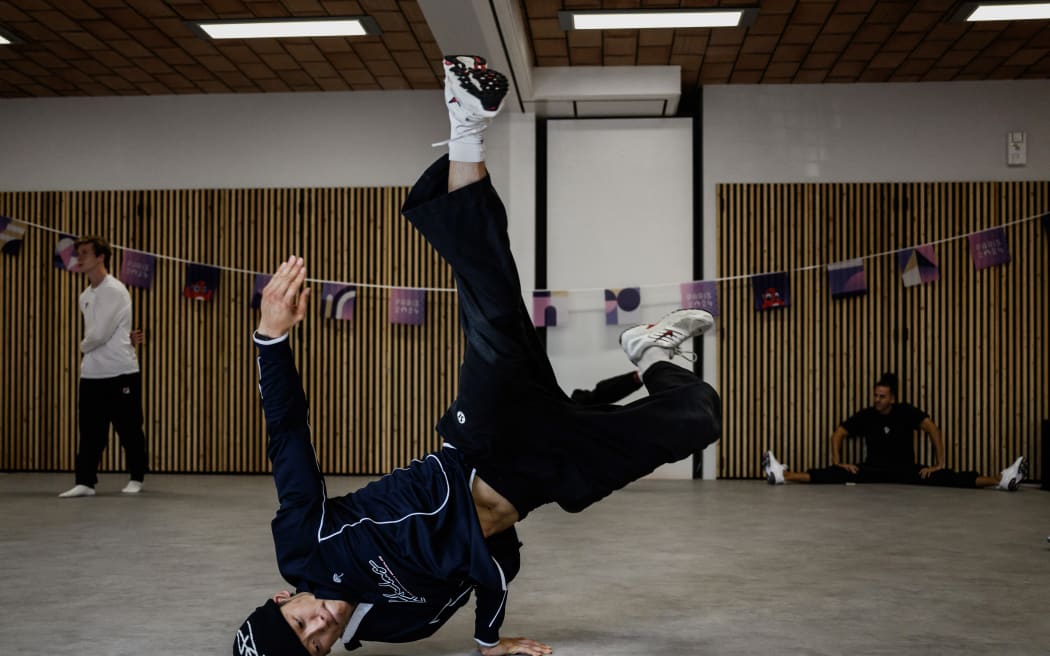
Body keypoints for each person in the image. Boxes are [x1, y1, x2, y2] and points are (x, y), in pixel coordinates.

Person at [232, 55, 722, 656]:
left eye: (300, 622)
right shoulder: (393, 627)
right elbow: (481, 574)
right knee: (699, 418)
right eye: (314, 647)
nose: (319, 627)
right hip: (541, 478)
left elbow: (287, 437)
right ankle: (650, 353)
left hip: (482, 441)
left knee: (490, 299)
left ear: (284, 598)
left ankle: (465, 122)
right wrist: (491, 641)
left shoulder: (304, 546)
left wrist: (271, 339)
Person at [762, 372, 1026, 490]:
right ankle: (781, 475)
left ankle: (1000, 480)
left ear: (892, 397)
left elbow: (932, 428)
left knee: (949, 477)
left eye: (882, 396)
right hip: (872, 471)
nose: (877, 399)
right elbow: (838, 434)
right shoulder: (867, 415)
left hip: (906, 470)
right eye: (875, 395)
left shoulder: (906, 412)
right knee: (830, 474)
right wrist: (839, 462)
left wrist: (938, 463)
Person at [59, 236, 148, 498]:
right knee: (89, 430)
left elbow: (99, 335)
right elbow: (95, 335)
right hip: (91, 373)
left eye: (85, 253)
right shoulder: (85, 295)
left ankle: (137, 476)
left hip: (120, 371)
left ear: (101, 257)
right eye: (79, 253)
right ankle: (85, 481)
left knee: (129, 428)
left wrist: (83, 346)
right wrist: (88, 347)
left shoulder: (115, 290)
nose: (80, 257)